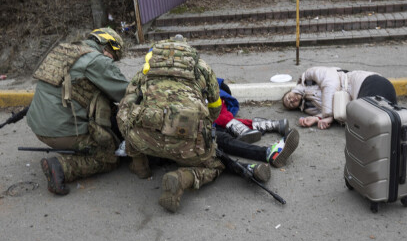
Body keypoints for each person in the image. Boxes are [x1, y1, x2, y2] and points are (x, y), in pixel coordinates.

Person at [117, 36, 248, 213]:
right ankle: (182, 178)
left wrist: (128, 129)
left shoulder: (146, 69)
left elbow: (127, 102)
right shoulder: (202, 68)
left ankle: (140, 167)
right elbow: (216, 109)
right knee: (217, 164)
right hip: (189, 147)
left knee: (132, 122)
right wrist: (204, 126)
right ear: (186, 50)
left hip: (146, 142)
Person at [282, 66, 407, 178]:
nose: (290, 101)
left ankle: (405, 156)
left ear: (292, 90)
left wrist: (325, 116)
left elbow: (331, 82)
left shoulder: (308, 75)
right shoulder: (308, 106)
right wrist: (316, 118)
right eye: (288, 105)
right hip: (360, 102)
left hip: (369, 84)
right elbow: (334, 110)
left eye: (288, 97)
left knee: (375, 128)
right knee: (389, 130)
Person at [26, 28, 130, 196]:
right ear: (107, 46)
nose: (113, 60)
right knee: (109, 156)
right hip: (61, 133)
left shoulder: (64, 50)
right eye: (114, 56)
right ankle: (61, 167)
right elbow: (124, 92)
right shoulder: (96, 60)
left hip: (38, 126)